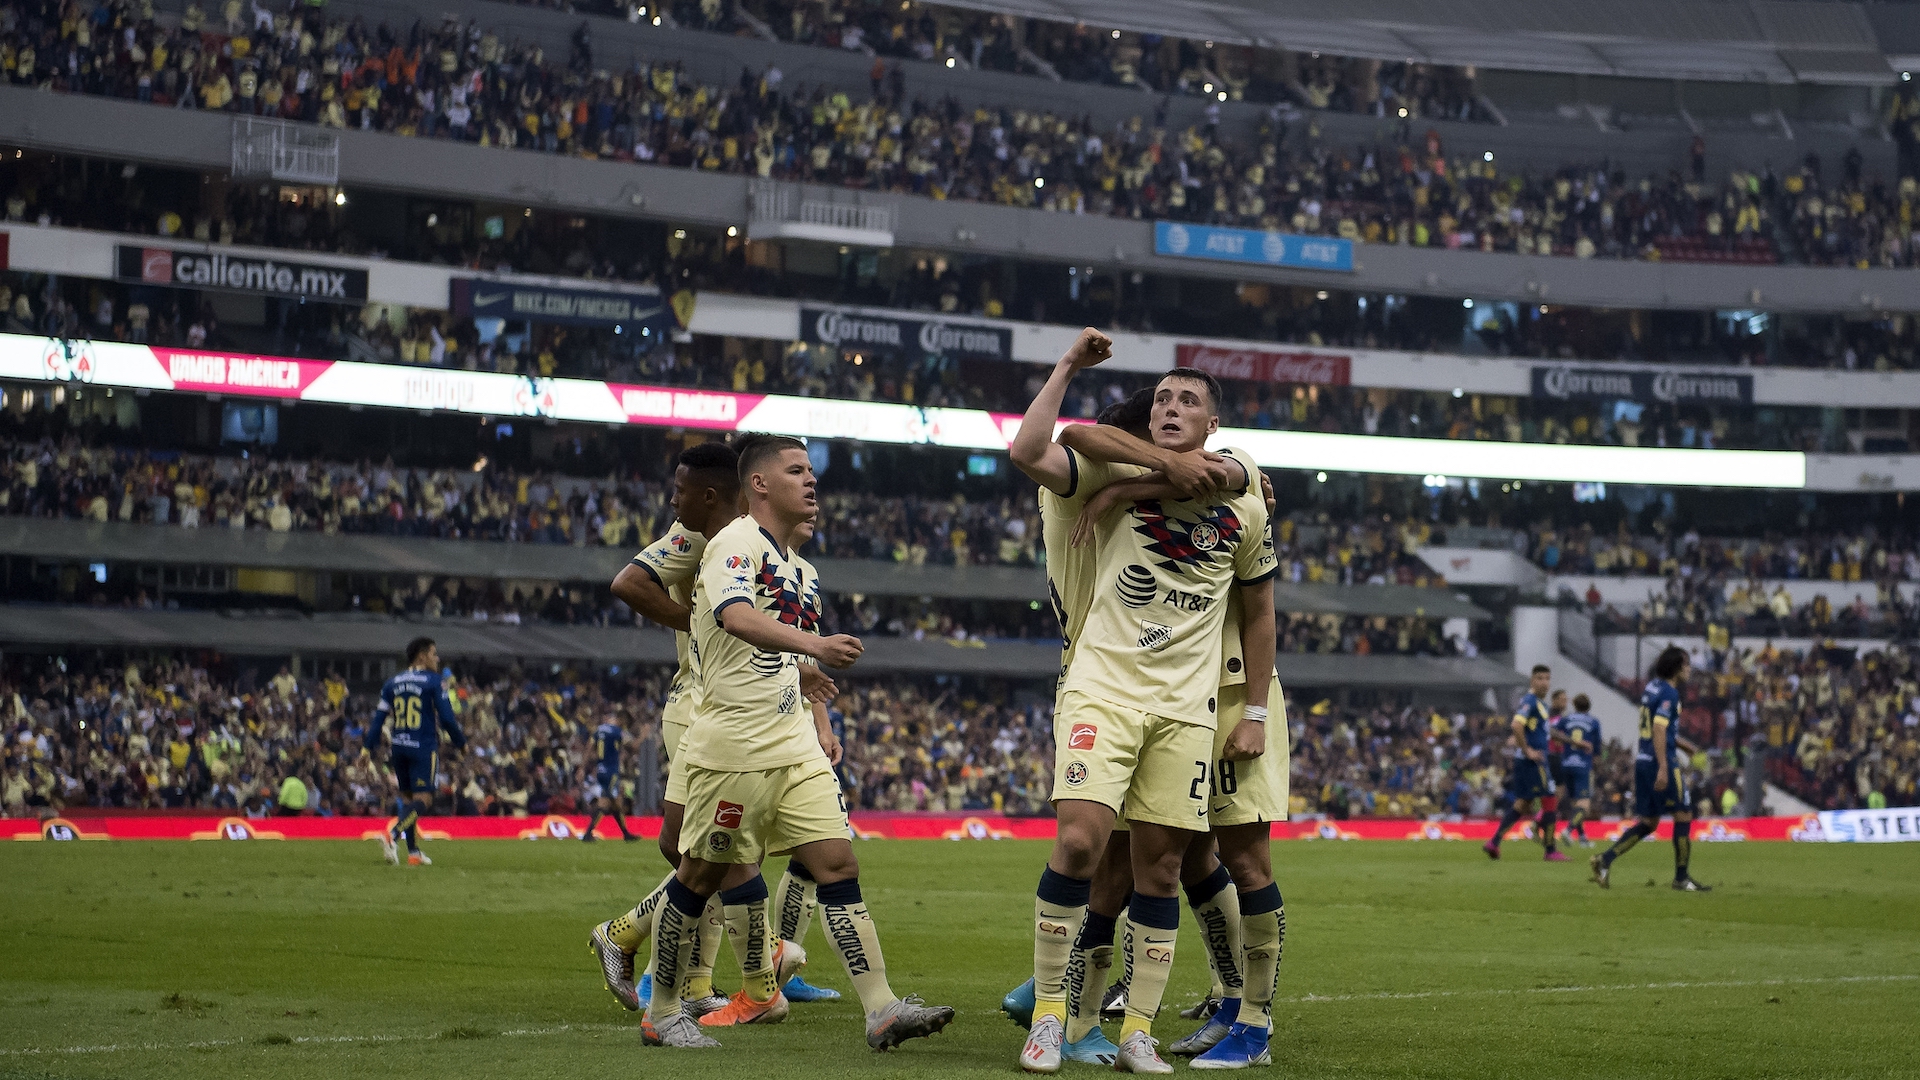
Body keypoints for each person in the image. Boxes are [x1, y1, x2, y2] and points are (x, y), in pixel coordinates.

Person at [1010, 331, 1276, 1075]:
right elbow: (1049, 444)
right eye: (1160, 398)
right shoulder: (1099, 468)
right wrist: (1072, 376)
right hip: (1104, 687)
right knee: (1081, 845)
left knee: (1158, 871)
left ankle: (1136, 1030)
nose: (1170, 406)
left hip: (1188, 707)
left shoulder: (1245, 495)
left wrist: (1252, 710)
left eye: (1187, 399)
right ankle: (1051, 1018)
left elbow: (1236, 495)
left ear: (1214, 422)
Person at [641, 434, 954, 1050]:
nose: (812, 481)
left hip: (792, 744)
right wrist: (813, 645)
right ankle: (663, 1011)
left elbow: (780, 652)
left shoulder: (801, 569)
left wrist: (815, 697)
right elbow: (734, 616)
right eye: (796, 471)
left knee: (837, 865)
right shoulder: (733, 542)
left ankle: (882, 1009)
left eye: (812, 471)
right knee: (699, 873)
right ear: (758, 484)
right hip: (734, 744)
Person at [590, 442, 838, 1013]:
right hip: (704, 704)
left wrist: (816, 709)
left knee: (712, 850)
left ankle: (678, 964)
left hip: (754, 705)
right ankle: (745, 976)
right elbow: (628, 582)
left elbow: (791, 635)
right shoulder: (700, 536)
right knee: (710, 850)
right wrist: (697, 621)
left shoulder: (769, 545)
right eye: (792, 471)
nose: (672, 502)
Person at [1592, 647, 1711, 891]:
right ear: (1677, 668)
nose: (1689, 669)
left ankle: (1604, 860)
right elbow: (1658, 729)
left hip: (1643, 760)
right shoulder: (1670, 693)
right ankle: (1681, 878)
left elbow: (1657, 728)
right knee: (1683, 815)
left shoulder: (1651, 688)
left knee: (1648, 822)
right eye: (1686, 665)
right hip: (1660, 761)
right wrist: (1665, 767)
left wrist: (1681, 743)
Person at [364, 637, 465, 867]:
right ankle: (393, 834)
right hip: (423, 746)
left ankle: (413, 852)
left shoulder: (392, 682)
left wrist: (366, 748)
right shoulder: (433, 681)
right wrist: (461, 742)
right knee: (425, 799)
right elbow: (447, 719)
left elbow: (378, 719)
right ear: (422, 655)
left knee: (408, 800)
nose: (437, 659)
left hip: (399, 747)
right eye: (433, 654)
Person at [1484, 665, 1565, 862]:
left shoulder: (1540, 704)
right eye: (1539, 678)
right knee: (1550, 800)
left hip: (1525, 761)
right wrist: (1527, 749)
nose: (1544, 682)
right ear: (1532, 681)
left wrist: (1571, 741)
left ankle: (1493, 842)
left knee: (1522, 803)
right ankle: (1550, 850)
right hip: (1534, 760)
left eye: (1547, 678)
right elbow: (1516, 725)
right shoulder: (1529, 701)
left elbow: (1537, 730)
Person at [581, 708, 637, 843]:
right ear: (622, 719)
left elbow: (589, 747)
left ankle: (626, 834)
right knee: (605, 802)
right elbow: (634, 747)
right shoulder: (618, 732)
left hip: (600, 770)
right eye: (625, 723)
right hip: (611, 770)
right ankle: (588, 833)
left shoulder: (599, 729)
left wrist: (582, 767)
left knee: (616, 803)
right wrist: (644, 735)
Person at [1554, 694, 1601, 846]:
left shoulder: (1566, 719)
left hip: (1566, 763)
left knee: (1575, 804)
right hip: (1582, 765)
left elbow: (1553, 732)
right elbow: (1597, 748)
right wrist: (1595, 764)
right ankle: (1568, 831)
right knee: (1584, 805)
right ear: (1589, 706)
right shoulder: (1594, 722)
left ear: (1574, 705)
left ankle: (1582, 838)